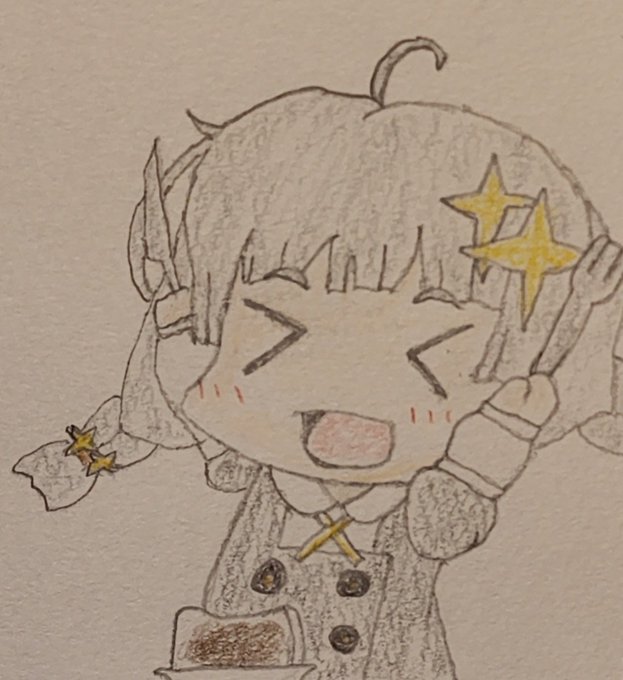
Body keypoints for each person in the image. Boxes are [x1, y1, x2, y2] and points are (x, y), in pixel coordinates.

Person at [14, 38, 623, 680]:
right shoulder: (258, 471)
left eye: (432, 354)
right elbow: (174, 413)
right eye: (280, 331)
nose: (352, 391)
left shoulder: (417, 501)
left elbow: (443, 531)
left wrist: (504, 431)